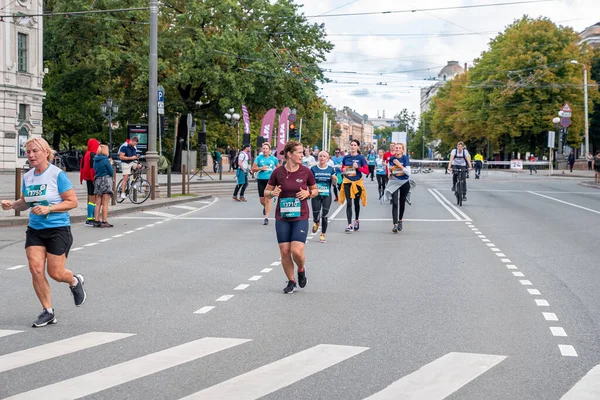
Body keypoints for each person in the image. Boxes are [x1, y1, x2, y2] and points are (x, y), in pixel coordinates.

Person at [1, 138, 86, 327]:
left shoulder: (57, 175)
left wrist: (50, 209)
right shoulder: (28, 176)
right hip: (35, 229)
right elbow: (26, 202)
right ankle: (47, 311)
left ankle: (74, 280)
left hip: (57, 229)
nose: (30, 155)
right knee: (36, 269)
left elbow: (72, 202)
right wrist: (13, 205)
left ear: (46, 152)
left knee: (55, 273)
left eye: (34, 151)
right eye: (28, 152)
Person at [265, 141, 317, 294]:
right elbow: (267, 192)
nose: (302, 155)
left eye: (302, 152)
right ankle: (291, 281)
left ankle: (301, 269)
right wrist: (272, 193)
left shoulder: (306, 172)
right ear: (289, 154)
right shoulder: (278, 172)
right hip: (282, 216)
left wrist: (308, 193)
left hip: (300, 215)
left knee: (297, 251)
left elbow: (315, 190)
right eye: (299, 152)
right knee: (284, 251)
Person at [339, 139, 369, 232]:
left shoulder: (361, 158)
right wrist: (343, 170)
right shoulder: (346, 158)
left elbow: (367, 171)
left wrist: (358, 168)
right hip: (347, 181)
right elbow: (343, 168)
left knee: (356, 203)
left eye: (354, 145)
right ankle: (349, 224)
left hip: (357, 182)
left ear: (357, 147)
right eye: (351, 145)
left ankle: (356, 220)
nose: (352, 146)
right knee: (348, 203)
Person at [382, 143, 411, 233]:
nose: (397, 149)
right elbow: (390, 167)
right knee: (395, 202)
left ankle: (400, 220)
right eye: (396, 148)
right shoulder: (391, 159)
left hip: (404, 182)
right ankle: (395, 224)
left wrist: (400, 165)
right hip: (394, 181)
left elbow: (408, 172)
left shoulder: (405, 158)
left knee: (401, 202)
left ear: (402, 150)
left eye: (399, 148)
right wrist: (390, 172)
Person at [310, 151, 337, 243]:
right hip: (316, 194)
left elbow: (334, 184)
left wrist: (334, 180)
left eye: (324, 156)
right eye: (320, 156)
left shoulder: (330, 169)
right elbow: (310, 182)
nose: (322, 158)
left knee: (325, 215)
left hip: (326, 195)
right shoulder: (313, 169)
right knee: (315, 213)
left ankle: (323, 234)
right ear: (318, 157)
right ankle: (316, 222)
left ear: (327, 158)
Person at [252, 142, 279, 225]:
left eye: (266, 148)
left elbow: (279, 168)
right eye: (263, 148)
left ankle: (266, 218)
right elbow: (253, 168)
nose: (264, 150)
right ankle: (265, 207)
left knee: (268, 199)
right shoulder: (259, 158)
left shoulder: (274, 159)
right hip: (261, 179)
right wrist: (260, 168)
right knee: (262, 199)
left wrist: (276, 175)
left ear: (269, 150)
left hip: (270, 181)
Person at [79, 138, 100, 226]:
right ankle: (90, 218)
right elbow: (92, 168)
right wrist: (94, 178)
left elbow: (82, 167)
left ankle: (91, 217)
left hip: (87, 177)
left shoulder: (86, 154)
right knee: (93, 198)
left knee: (91, 197)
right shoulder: (92, 154)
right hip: (92, 178)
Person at [93, 144, 114, 228]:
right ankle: (104, 221)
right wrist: (111, 163)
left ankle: (96, 221)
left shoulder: (95, 160)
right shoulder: (106, 160)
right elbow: (111, 172)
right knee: (105, 203)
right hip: (106, 180)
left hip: (97, 180)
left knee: (98, 203)